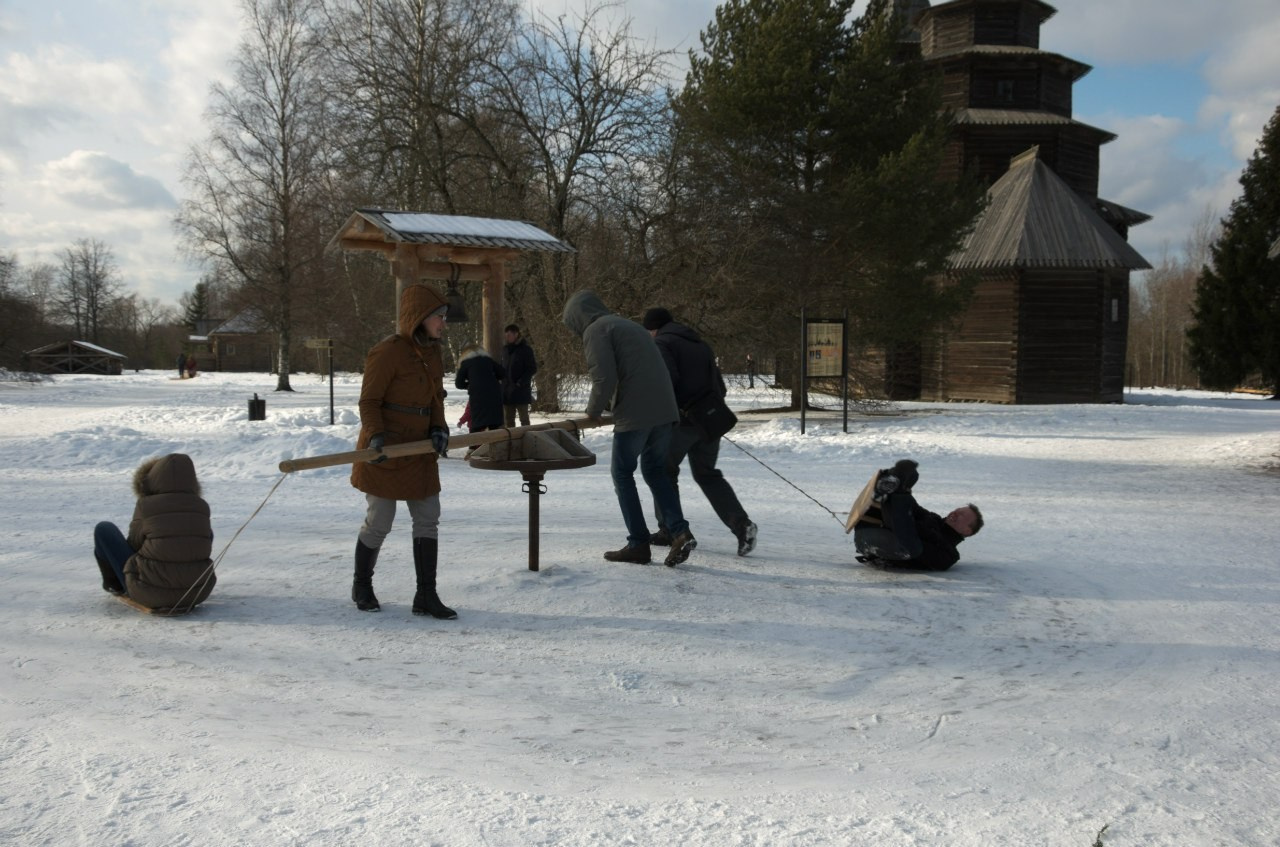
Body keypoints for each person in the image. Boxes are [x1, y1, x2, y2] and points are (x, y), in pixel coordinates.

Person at [562, 290, 696, 566]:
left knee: (622, 473)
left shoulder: (596, 330)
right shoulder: (627, 325)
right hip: (664, 410)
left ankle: (638, 544)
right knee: (655, 471)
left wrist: (593, 412)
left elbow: (604, 376)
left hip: (637, 413)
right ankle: (679, 531)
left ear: (577, 317)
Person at [349, 283, 456, 619]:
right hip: (386, 451)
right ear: (421, 317)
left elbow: (436, 397)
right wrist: (376, 437)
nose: (443, 323)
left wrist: (439, 426)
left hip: (421, 450)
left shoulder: (434, 352)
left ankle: (426, 595)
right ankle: (362, 584)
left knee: (428, 519)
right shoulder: (387, 352)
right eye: (439, 316)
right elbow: (369, 401)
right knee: (380, 521)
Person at [642, 307, 757, 557]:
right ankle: (742, 525)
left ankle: (671, 529)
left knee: (661, 471)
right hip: (709, 420)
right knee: (708, 474)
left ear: (652, 329)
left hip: (681, 421)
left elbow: (667, 381)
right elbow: (719, 385)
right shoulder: (700, 344)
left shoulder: (662, 343)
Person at [92, 453, 216, 611]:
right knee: (202, 533)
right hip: (197, 591)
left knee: (104, 529)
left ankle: (114, 585)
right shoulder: (202, 507)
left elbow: (135, 544)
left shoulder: (146, 505)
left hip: (147, 591)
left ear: (153, 478)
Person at [853, 459, 983, 571]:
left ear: (967, 530)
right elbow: (913, 508)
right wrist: (906, 488)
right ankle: (891, 482)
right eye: (957, 510)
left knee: (913, 546)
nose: (955, 513)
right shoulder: (934, 519)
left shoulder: (949, 555)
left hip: (882, 545)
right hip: (867, 528)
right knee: (911, 479)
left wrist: (920, 529)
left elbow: (911, 541)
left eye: (961, 515)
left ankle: (893, 489)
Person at [455, 343, 506, 433]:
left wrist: (470, 385)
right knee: (494, 427)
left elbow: (458, 383)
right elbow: (502, 373)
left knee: (477, 427)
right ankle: (495, 446)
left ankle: (475, 447)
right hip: (494, 396)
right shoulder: (488, 360)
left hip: (478, 397)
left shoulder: (466, 362)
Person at [501, 324, 538, 427]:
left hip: (521, 390)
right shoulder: (504, 350)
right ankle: (510, 442)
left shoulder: (526, 350)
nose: (507, 337)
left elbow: (532, 368)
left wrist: (521, 382)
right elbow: (502, 367)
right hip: (507, 391)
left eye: (510, 334)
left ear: (516, 334)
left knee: (524, 420)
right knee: (508, 420)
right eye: (506, 335)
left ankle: (527, 440)